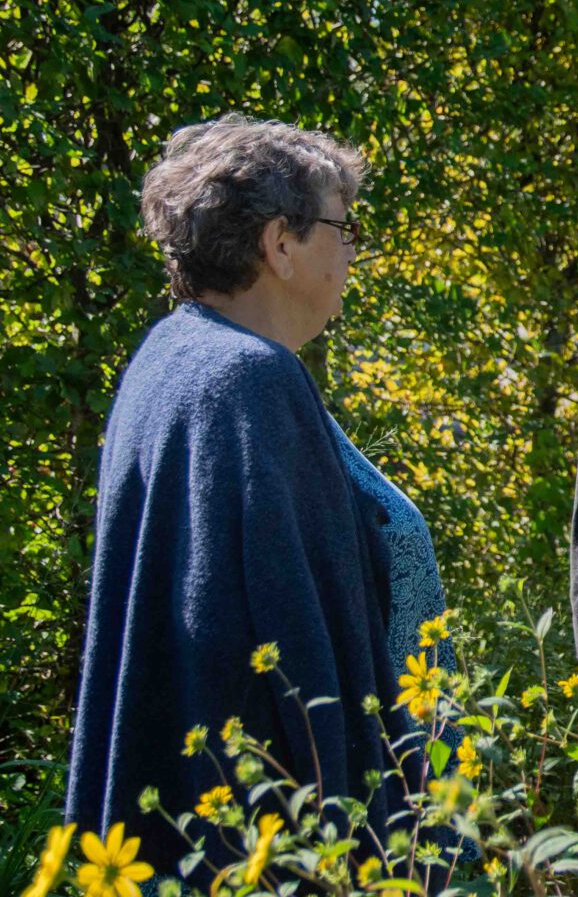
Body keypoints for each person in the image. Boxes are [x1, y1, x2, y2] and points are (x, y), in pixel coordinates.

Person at [66, 114, 456, 881]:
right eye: (342, 229)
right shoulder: (248, 381)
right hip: (276, 833)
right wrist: (358, 840)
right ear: (281, 244)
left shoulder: (176, 355)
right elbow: (302, 647)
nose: (351, 253)